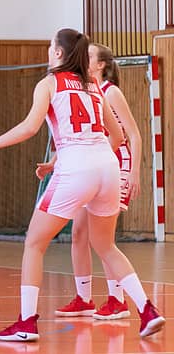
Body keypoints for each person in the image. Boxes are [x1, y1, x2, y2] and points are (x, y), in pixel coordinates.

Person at [0, 29, 164, 342]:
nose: (48, 50)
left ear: (59, 53)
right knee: (106, 245)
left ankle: (26, 322)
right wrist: (67, 158)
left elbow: (30, 127)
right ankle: (147, 310)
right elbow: (117, 138)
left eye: (50, 46)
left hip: (78, 169)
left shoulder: (49, 83)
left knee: (34, 243)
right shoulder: (93, 86)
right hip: (108, 166)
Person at [46, 42, 142, 320]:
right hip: (88, 165)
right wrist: (54, 163)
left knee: (103, 239)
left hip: (114, 164)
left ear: (100, 65)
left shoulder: (111, 92)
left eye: (88, 56)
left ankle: (117, 299)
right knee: (78, 234)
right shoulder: (81, 89)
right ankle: (84, 298)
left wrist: (134, 171)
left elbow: (133, 135)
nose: (81, 58)